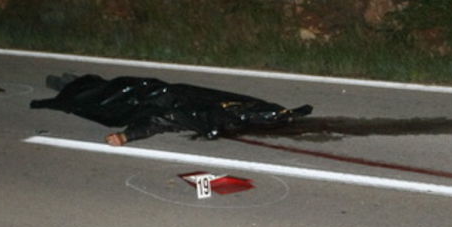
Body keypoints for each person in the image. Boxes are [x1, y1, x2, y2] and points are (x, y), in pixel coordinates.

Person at [31, 74, 312, 146]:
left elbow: (153, 123)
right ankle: (65, 83)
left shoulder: (186, 117)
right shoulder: (192, 109)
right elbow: (156, 120)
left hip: (135, 101)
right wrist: (127, 136)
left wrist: (126, 136)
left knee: (89, 96)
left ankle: (66, 84)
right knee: (95, 94)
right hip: (138, 92)